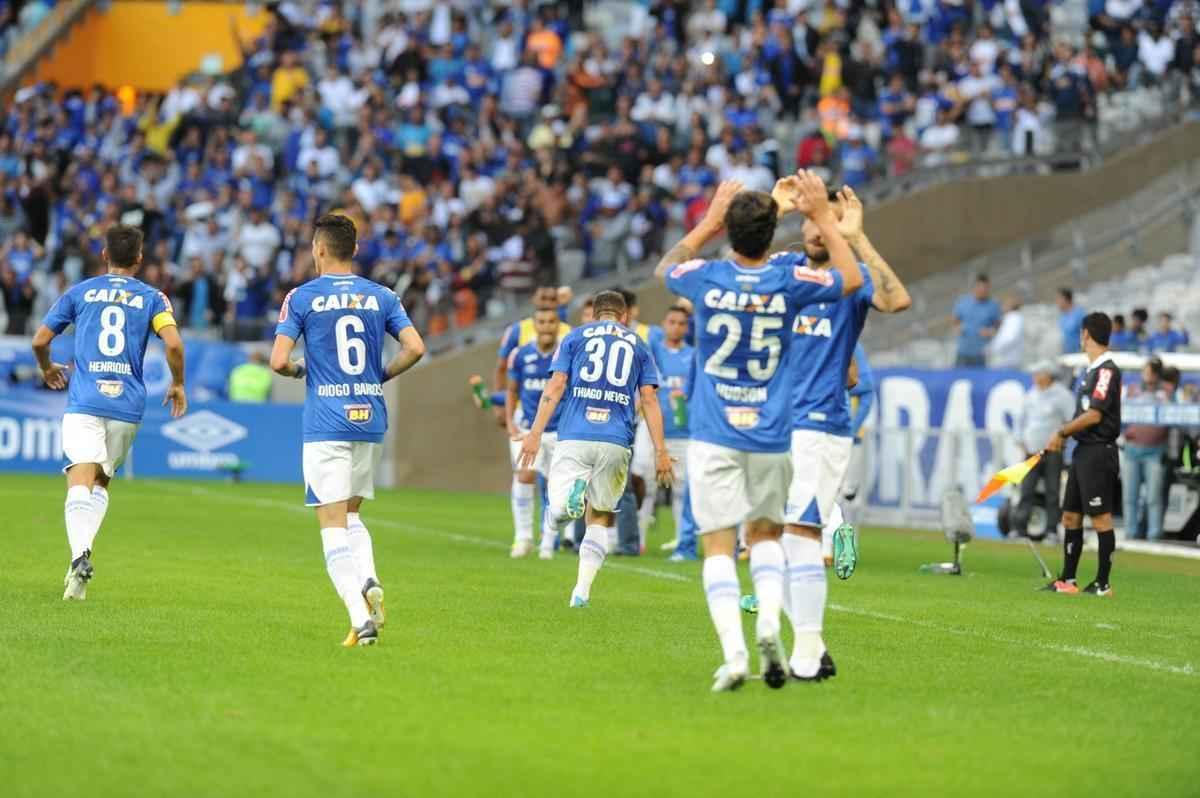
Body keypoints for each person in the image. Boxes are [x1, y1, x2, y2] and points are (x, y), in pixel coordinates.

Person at [655, 173, 863, 692]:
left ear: (728, 230)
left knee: (718, 547)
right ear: (774, 236)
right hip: (771, 434)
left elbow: (665, 268)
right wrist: (821, 216)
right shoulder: (787, 281)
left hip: (713, 433)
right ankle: (769, 619)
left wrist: (711, 218)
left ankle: (734, 654)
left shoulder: (706, 278)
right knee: (767, 536)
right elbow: (850, 279)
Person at [270, 214, 427, 646]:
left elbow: (279, 361)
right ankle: (369, 577)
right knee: (353, 514)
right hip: (370, 419)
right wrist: (380, 376)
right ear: (354, 250)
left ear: (318, 249)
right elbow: (415, 347)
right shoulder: (383, 296)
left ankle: (361, 620)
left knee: (331, 523)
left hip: (327, 422)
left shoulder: (302, 297)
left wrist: (300, 370)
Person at [780, 183, 911, 675]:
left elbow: (897, 300)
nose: (820, 227)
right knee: (766, 542)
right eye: (812, 217)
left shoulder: (851, 280)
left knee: (799, 534)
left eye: (830, 219)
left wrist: (859, 240)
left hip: (818, 426)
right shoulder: (782, 270)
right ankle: (812, 648)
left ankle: (806, 656)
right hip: (766, 426)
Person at [31, 224, 187, 601]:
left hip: (86, 399)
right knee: (101, 482)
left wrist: (46, 368)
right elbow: (174, 345)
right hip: (127, 406)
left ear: (104, 255)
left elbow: (40, 340)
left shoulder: (80, 292)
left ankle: (78, 556)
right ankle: (80, 563)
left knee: (79, 479)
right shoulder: (153, 298)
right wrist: (178, 383)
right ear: (139, 259)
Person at [517, 290, 671, 608]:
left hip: (576, 433)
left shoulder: (574, 337)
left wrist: (535, 432)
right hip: (616, 439)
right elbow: (649, 399)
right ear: (624, 316)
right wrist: (661, 451)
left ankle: (565, 508)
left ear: (595, 313)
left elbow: (556, 385)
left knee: (556, 511)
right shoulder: (638, 344)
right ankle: (581, 592)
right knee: (600, 516)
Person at [1044, 312, 1121, 597]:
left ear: (1086, 334)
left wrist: (1062, 432)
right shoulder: (1091, 371)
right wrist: (1069, 436)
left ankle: (1103, 584)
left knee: (1100, 518)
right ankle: (1069, 579)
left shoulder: (1106, 371)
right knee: (1070, 516)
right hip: (1083, 451)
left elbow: (1095, 415)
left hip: (1099, 452)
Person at [505, 306, 563, 559]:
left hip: (559, 429)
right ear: (535, 325)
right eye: (542, 321)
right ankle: (523, 537)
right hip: (528, 428)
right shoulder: (520, 354)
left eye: (551, 321)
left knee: (556, 486)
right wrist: (510, 422)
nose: (546, 326)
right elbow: (511, 390)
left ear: (558, 325)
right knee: (524, 475)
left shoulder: (567, 353)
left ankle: (548, 542)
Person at [649, 305, 696, 557]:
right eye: (672, 322)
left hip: (684, 432)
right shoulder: (653, 352)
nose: (676, 327)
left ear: (688, 328)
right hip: (653, 431)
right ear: (663, 324)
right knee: (645, 486)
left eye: (681, 323)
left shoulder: (694, 355)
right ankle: (637, 541)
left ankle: (681, 541)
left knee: (682, 489)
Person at [1012, 362, 1075, 539]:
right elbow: (1020, 420)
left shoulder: (1062, 395)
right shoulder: (1031, 394)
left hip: (1053, 452)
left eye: (1038, 374)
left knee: (1052, 492)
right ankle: (1019, 529)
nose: (1035, 377)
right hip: (1031, 451)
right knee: (1026, 490)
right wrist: (1020, 441)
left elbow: (1072, 420)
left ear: (1048, 375)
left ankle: (1051, 530)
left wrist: (1062, 439)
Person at [1121, 357, 1168, 541]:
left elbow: (1174, 415)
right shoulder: (1132, 390)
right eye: (1145, 372)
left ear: (1157, 374)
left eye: (1150, 372)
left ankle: (1154, 534)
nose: (1147, 375)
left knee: (1153, 496)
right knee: (1130, 495)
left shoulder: (1166, 392)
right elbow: (1121, 411)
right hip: (1132, 448)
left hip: (1154, 450)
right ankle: (1130, 533)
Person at [952, 275, 1001, 367]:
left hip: (982, 353)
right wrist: (958, 328)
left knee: (981, 375)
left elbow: (998, 325)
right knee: (960, 375)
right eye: (980, 287)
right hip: (963, 351)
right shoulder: (963, 302)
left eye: (985, 288)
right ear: (975, 287)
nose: (982, 290)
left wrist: (991, 331)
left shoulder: (993, 305)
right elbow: (955, 319)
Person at [989, 294, 1025, 368]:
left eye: (1004, 304)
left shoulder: (1014, 319)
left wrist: (995, 349)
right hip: (1004, 359)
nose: (1002, 307)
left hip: (1008, 360)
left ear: (1010, 306)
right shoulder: (1008, 318)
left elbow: (1011, 338)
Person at [1056, 288, 1085, 354]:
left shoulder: (1079, 314)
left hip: (1079, 354)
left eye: (1059, 299)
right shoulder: (1062, 317)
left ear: (1066, 299)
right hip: (1067, 354)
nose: (1057, 302)